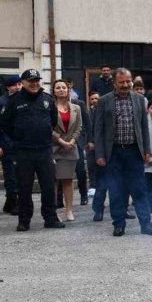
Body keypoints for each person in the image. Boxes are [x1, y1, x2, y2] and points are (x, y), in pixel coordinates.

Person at [93, 68, 152, 236]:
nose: (125, 85)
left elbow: (144, 128)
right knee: (116, 190)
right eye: (121, 82)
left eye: (128, 81)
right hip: (113, 153)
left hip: (134, 152)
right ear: (114, 82)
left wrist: (147, 150)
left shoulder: (140, 99)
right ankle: (119, 224)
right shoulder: (104, 101)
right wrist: (99, 154)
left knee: (139, 189)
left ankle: (146, 224)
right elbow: (98, 130)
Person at [0, 69, 65, 231]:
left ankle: (50, 218)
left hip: (44, 150)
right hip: (23, 151)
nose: (34, 84)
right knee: (24, 188)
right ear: (23, 83)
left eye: (37, 80)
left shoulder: (47, 99)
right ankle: (24, 220)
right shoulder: (14, 100)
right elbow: (5, 124)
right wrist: (18, 138)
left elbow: (53, 121)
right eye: (31, 81)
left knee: (48, 186)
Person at [51, 79, 82, 222]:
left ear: (68, 90)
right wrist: (61, 141)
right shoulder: (49, 107)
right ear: (54, 91)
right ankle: (53, 211)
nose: (61, 90)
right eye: (58, 87)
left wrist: (72, 141)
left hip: (70, 148)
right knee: (53, 181)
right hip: (54, 147)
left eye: (64, 87)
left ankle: (68, 210)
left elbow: (79, 127)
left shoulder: (76, 108)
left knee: (68, 181)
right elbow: (47, 127)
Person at [0, 75, 22, 215]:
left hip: (21, 143)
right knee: (10, 175)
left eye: (19, 84)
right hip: (6, 144)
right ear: (8, 87)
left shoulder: (24, 99)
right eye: (14, 85)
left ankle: (10, 202)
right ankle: (13, 202)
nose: (18, 87)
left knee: (20, 174)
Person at [85, 91, 108, 220]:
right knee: (101, 182)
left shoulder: (107, 110)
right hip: (97, 150)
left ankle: (122, 209)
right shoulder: (90, 113)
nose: (95, 101)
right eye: (92, 99)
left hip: (112, 148)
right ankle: (98, 210)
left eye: (96, 98)